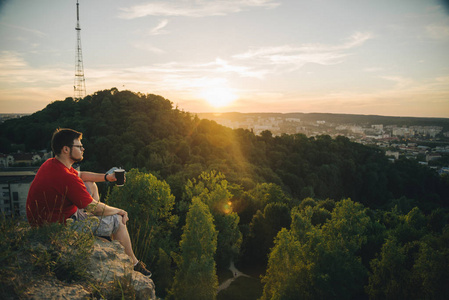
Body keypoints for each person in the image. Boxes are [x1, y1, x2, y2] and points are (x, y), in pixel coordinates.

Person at [26, 128, 151, 277]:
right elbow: (93, 207)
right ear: (66, 149)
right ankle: (134, 263)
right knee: (118, 220)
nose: (83, 148)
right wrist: (118, 210)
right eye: (79, 146)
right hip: (58, 228)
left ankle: (99, 230)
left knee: (90, 183)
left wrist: (107, 177)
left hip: (47, 219)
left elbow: (82, 175)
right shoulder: (66, 177)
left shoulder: (52, 164)